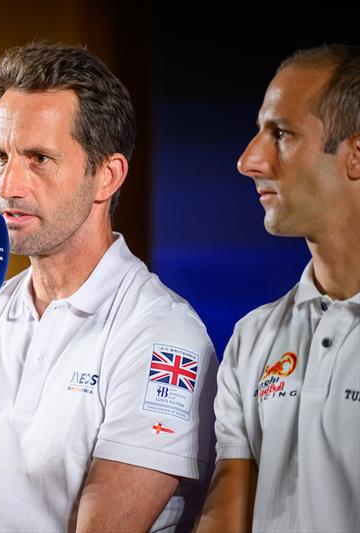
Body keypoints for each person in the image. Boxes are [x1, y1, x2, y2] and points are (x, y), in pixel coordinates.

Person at [0, 42, 218, 533]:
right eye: (0, 156)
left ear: (107, 176)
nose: (9, 184)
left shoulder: (162, 332)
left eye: (39, 159)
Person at [196, 45, 360, 533]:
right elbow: (227, 517)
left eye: (281, 134)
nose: (250, 160)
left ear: (356, 156)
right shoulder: (252, 339)